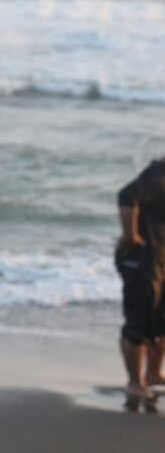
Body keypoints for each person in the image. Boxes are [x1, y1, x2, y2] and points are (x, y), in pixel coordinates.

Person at [115, 157, 165, 409]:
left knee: (162, 320)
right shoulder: (158, 173)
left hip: (160, 258)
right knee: (140, 319)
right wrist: (130, 234)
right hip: (140, 258)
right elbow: (126, 194)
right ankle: (135, 381)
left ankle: (154, 374)